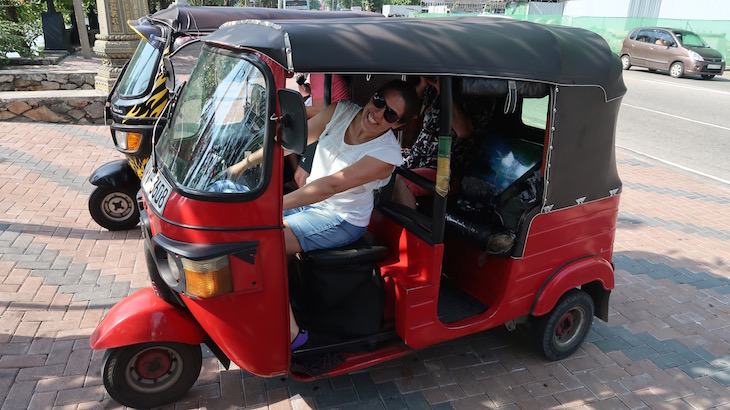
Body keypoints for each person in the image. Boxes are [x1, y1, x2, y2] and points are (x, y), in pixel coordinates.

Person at [227, 80, 420, 349]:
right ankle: (272, 300)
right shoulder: (341, 111)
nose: (377, 114)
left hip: (341, 219)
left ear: (397, 125)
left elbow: (331, 185)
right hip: (312, 203)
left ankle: (294, 333)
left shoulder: (386, 155)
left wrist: (271, 205)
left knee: (260, 243)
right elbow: (290, 144)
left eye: (390, 114)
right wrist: (241, 165)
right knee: (239, 223)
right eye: (379, 101)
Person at [393, 76, 475, 209]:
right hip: (417, 157)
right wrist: (423, 84)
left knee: (398, 182)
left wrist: (444, 90)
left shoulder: (473, 93)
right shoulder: (432, 90)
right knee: (379, 165)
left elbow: (463, 131)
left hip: (443, 169)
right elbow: (409, 112)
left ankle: (405, 229)